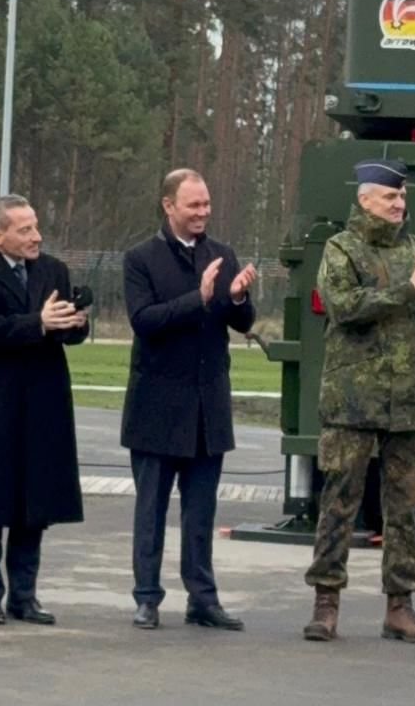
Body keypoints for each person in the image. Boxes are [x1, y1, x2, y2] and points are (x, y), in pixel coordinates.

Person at [302, 157, 415, 645]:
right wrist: (411, 286)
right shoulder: (341, 249)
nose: (399, 204)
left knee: (404, 509)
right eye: (390, 196)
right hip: (353, 397)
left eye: (402, 196)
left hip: (409, 399)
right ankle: (326, 602)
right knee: (339, 501)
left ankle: (400, 605)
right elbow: (346, 307)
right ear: (365, 199)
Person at [120, 168, 257, 631]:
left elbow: (241, 322)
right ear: (169, 206)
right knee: (151, 511)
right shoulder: (141, 259)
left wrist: (237, 298)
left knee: (201, 512)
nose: (203, 212)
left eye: (206, 204)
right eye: (193, 205)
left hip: (207, 408)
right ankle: (147, 598)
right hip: (157, 408)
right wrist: (197, 298)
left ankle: (203, 599)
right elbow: (144, 320)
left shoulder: (222, 254)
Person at [0, 194, 89, 625]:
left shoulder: (53, 270)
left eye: (36, 226)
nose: (36, 236)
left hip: (45, 399)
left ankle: (24, 595)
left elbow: (66, 333)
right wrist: (38, 324)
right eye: (24, 229)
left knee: (35, 500)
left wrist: (76, 324)